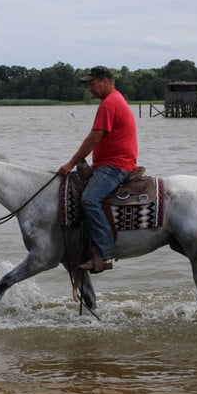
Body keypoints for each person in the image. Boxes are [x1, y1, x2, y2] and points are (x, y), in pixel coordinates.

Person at [58, 66, 138, 273]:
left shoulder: (109, 103)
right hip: (110, 162)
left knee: (89, 200)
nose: (89, 89)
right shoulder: (114, 99)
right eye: (87, 85)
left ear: (105, 80)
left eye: (91, 84)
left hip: (116, 164)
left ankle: (105, 253)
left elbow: (94, 137)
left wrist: (71, 163)